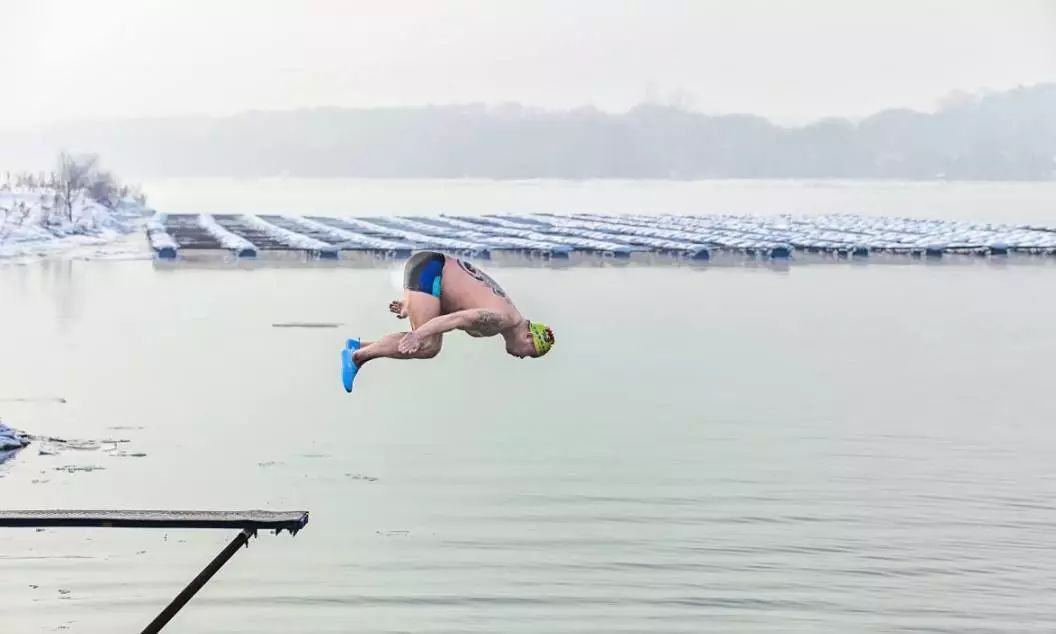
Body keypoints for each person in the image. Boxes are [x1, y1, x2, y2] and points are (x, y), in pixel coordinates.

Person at [341, 251, 555, 391]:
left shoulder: (507, 313)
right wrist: (418, 334)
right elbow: (456, 318)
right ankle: (357, 357)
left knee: (429, 344)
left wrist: (417, 304)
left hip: (432, 274)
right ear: (528, 337)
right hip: (431, 271)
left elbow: (460, 297)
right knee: (427, 345)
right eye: (531, 353)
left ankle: (359, 347)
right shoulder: (501, 319)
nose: (523, 357)